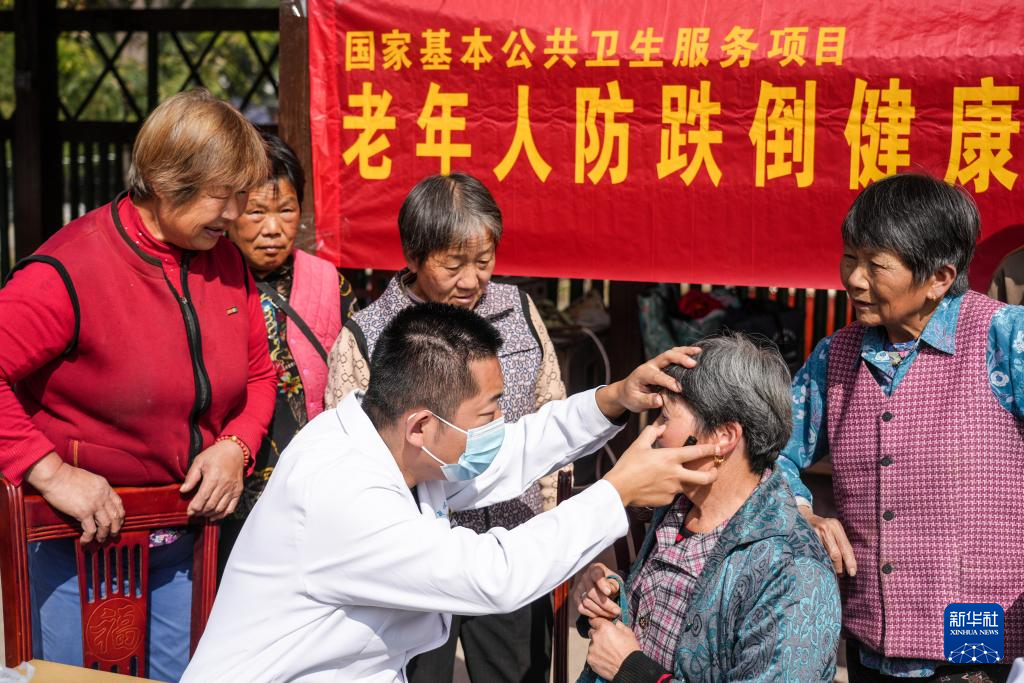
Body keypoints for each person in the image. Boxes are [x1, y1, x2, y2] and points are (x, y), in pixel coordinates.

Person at [182, 303, 721, 683]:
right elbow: (496, 575)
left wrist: (613, 399)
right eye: (488, 413)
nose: (499, 424)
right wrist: (616, 491)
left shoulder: (393, 439)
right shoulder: (340, 493)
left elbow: (512, 450)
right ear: (422, 425)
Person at [0, 89, 276, 681]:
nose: (235, 215)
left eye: (242, 197)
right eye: (223, 196)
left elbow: (259, 374)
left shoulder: (226, 262)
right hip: (78, 543)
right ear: (167, 181)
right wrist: (49, 471)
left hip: (186, 540)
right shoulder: (70, 269)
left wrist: (237, 445)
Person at [778, 173, 1024, 682]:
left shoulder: (1003, 337)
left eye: (876, 265)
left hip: (976, 635)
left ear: (939, 277)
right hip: (869, 637)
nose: (855, 278)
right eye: (850, 257)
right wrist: (800, 511)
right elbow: (768, 450)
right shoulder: (836, 355)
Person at [324, 172, 567, 683]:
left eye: (484, 262)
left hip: (510, 544)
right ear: (413, 257)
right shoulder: (369, 334)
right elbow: (349, 460)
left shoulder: (518, 312)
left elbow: (550, 407)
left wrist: (551, 523)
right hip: (417, 565)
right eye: (453, 265)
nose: (472, 280)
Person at [573, 334, 841, 683]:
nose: (653, 433)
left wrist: (632, 670)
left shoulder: (794, 573)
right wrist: (609, 596)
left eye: (665, 417)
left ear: (724, 437)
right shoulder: (677, 506)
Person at [219, 131, 357, 574]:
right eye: (256, 211)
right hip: (227, 490)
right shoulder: (206, 280)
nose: (274, 228)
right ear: (229, 210)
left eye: (286, 210)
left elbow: (358, 381)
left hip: (310, 492)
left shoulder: (329, 283)